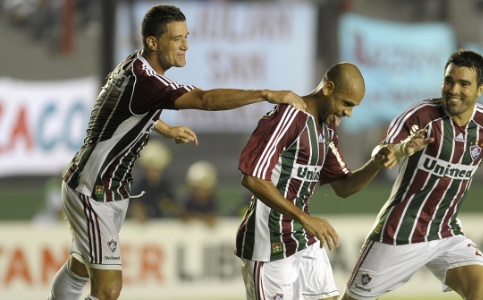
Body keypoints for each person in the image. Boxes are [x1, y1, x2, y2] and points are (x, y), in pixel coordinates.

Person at [47, 4, 306, 300]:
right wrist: (265, 94)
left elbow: (121, 107)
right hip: (94, 190)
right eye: (176, 39)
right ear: (153, 43)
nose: (186, 46)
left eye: (186, 36)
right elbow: (205, 99)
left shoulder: (134, 66)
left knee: (81, 267)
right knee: (108, 290)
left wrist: (165, 129)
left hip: (96, 185)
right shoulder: (148, 81)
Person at [340, 50, 483, 300]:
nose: (453, 89)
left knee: (482, 291)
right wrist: (395, 151)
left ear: (480, 89)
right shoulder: (421, 115)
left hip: (445, 232)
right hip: (398, 231)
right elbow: (385, 148)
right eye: (449, 81)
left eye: (464, 84)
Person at [234, 62, 412, 300]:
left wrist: (376, 164)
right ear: (328, 88)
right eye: (346, 104)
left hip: (303, 239)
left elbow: (344, 186)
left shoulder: (326, 130)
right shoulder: (289, 117)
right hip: (268, 245)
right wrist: (304, 218)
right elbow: (252, 178)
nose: (348, 113)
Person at [129, 139, 179, 223]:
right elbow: (133, 206)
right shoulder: (139, 185)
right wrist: (137, 211)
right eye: (151, 170)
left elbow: (175, 207)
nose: (154, 173)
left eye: (157, 170)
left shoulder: (165, 185)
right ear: (146, 170)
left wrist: (169, 206)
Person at [179, 160, 220, 227]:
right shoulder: (186, 201)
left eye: (205, 189)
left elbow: (212, 218)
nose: (201, 192)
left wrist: (195, 217)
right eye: (198, 188)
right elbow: (183, 216)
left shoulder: (211, 201)